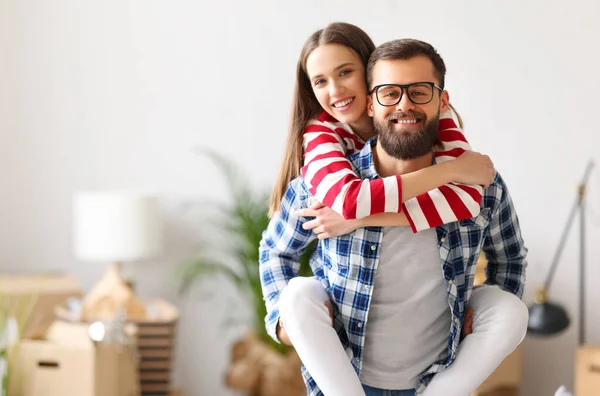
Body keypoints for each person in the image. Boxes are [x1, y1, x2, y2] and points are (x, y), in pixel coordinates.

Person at [259, 35, 528, 396]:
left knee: (510, 309)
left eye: (419, 91)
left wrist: (478, 323)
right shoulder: (325, 184)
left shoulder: (479, 183)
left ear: (442, 101)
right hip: (348, 375)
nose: (404, 105)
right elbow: (277, 252)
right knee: (296, 294)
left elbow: (509, 258)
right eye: (389, 93)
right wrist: (280, 322)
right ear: (370, 103)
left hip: (436, 376)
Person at [268, 22, 494, 235]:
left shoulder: (426, 110)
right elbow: (349, 202)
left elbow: (466, 200)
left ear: (370, 72)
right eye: (320, 81)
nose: (335, 90)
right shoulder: (320, 133)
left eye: (345, 72)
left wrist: (360, 218)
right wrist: (451, 171)